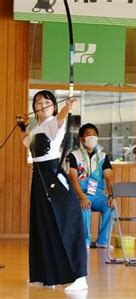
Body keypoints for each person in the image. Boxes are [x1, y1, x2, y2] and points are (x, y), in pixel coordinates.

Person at [20, 90, 87, 291]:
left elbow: (60, 119)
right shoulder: (36, 129)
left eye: (47, 102)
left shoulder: (54, 123)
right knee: (42, 223)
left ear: (54, 106)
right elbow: (26, 142)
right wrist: (22, 127)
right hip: (38, 177)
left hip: (53, 177)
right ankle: (45, 274)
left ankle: (79, 277)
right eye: (38, 102)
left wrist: (68, 106)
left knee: (66, 222)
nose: (42, 105)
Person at [68, 123, 114, 249]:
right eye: (88, 134)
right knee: (84, 208)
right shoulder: (74, 156)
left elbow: (108, 177)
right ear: (82, 139)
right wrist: (82, 197)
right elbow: (73, 178)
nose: (92, 137)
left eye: (94, 134)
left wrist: (111, 195)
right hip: (80, 194)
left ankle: (103, 241)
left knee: (110, 207)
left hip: (98, 194)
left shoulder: (103, 157)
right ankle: (85, 242)